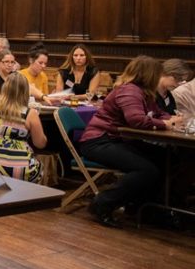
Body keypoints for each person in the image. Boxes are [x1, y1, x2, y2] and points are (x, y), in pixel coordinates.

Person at [78, 56, 185, 228]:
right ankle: (102, 203)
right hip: (99, 141)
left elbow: (157, 113)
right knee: (147, 170)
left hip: (115, 139)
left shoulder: (143, 92)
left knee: (166, 157)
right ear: (149, 75)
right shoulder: (130, 90)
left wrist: (171, 118)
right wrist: (165, 123)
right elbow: (136, 120)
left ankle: (143, 206)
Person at [0, 73, 47, 183]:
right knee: (39, 167)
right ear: (25, 91)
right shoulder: (29, 113)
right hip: (18, 169)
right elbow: (39, 144)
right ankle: (19, 197)